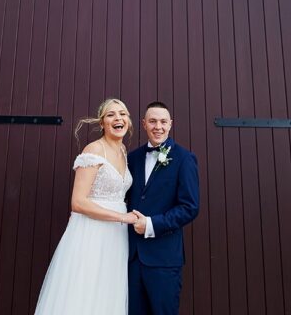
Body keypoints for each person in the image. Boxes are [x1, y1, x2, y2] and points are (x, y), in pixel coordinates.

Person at [35, 98, 137, 315]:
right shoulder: (94, 150)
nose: (118, 118)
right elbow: (78, 202)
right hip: (91, 232)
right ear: (102, 123)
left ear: (128, 121)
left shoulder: (123, 151)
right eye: (111, 115)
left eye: (122, 114)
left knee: (107, 289)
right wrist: (123, 217)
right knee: (84, 288)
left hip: (115, 236)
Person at [127, 101, 200, 315]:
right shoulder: (132, 158)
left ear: (170, 124)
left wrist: (151, 224)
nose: (158, 126)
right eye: (152, 121)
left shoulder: (184, 158)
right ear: (144, 124)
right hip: (131, 258)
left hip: (164, 259)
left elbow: (190, 207)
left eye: (162, 122)